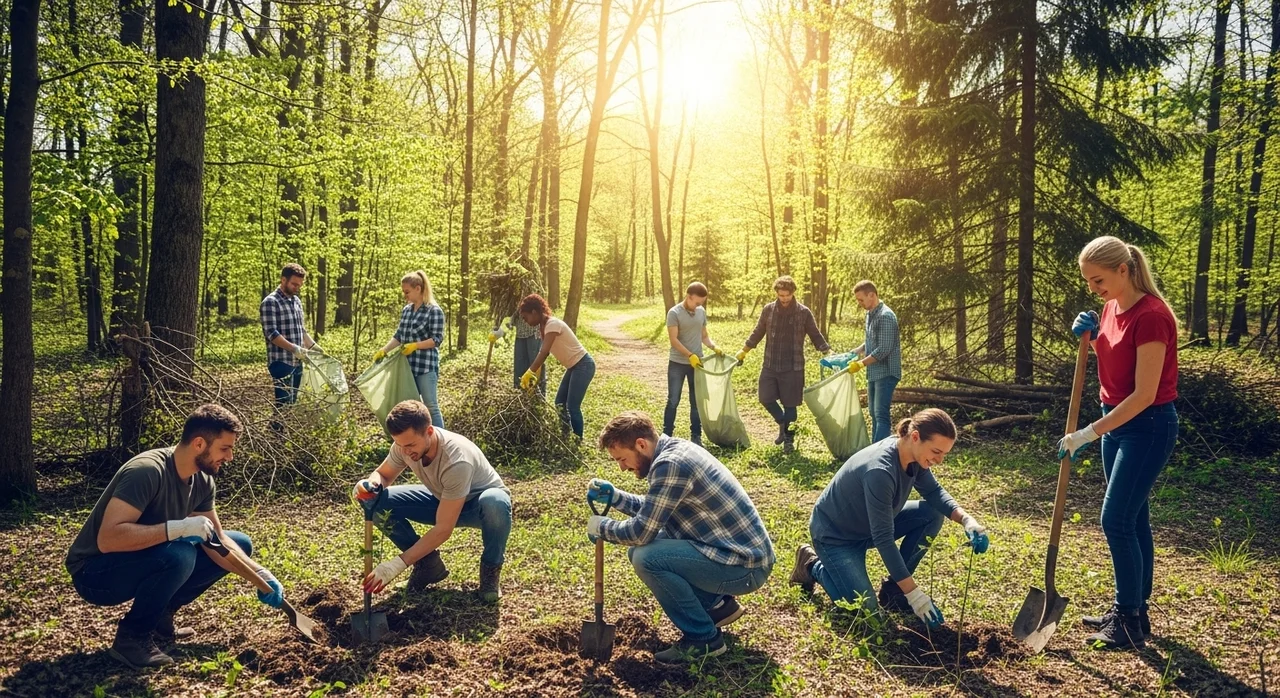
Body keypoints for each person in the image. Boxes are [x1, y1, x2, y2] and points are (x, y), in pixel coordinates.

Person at [65, 405, 286, 669]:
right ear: (199, 443)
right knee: (180, 554)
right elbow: (108, 539)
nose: (230, 457)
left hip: (139, 561)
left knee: (240, 543)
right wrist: (178, 528)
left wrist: (260, 575)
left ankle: (160, 617)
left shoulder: (202, 480)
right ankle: (131, 639)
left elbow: (218, 541)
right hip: (95, 573)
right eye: (224, 448)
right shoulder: (147, 471)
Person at [1061, 236, 1179, 650]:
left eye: (1099, 280)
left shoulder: (1152, 316)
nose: (1094, 289)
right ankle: (1135, 609)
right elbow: (1115, 359)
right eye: (1089, 283)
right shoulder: (1112, 307)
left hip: (1146, 427)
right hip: (1117, 425)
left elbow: (1145, 393)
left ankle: (1128, 619)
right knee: (1134, 519)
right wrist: (1092, 338)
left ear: (1124, 270)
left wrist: (1088, 433)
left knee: (1115, 521)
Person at [589, 412, 774, 664]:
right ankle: (716, 606)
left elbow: (641, 532)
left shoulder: (671, 465)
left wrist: (603, 527)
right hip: (727, 551)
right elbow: (657, 507)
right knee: (639, 552)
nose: (622, 467)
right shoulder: (674, 451)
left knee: (646, 556)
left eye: (622, 459)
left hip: (745, 566)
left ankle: (704, 639)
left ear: (641, 444)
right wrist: (617, 498)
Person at [789, 408, 989, 628]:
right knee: (865, 615)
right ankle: (811, 565)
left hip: (870, 526)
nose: (939, 460)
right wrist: (915, 595)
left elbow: (933, 493)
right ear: (915, 437)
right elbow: (884, 539)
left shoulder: (913, 455)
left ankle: (895, 590)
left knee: (931, 514)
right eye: (936, 451)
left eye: (944, 454)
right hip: (836, 537)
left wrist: (967, 519)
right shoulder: (880, 471)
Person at [355, 400, 512, 602]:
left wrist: (397, 564)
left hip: (476, 507)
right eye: (400, 445)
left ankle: (491, 571)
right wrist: (370, 484)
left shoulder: (457, 460)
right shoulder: (404, 445)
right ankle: (428, 565)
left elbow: (443, 529)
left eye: (410, 445)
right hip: (442, 498)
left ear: (429, 431)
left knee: (495, 503)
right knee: (377, 502)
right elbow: (383, 475)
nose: (405, 451)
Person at [737, 275, 831, 453]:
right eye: (781, 295)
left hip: (793, 366)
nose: (784, 299)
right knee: (765, 397)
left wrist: (827, 351)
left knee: (791, 405)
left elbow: (815, 334)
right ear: (777, 294)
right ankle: (782, 423)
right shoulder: (768, 310)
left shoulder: (803, 313)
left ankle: (789, 439)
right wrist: (744, 350)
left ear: (793, 293)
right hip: (771, 363)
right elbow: (758, 331)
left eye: (787, 295)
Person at [373, 270, 447, 428]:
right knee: (409, 408)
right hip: (406, 368)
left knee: (431, 406)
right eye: (403, 292)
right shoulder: (406, 310)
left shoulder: (434, 311)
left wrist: (416, 346)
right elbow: (399, 335)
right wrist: (384, 350)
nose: (404, 295)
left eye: (407, 292)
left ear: (418, 289)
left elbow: (437, 339)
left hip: (425, 367)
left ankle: (441, 442)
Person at [518, 293, 597, 439]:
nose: (526, 321)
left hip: (583, 365)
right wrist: (534, 375)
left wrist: (530, 371)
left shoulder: (552, 324)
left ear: (534, 312)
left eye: (526, 317)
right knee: (560, 402)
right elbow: (544, 354)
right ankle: (565, 436)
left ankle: (577, 440)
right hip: (574, 367)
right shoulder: (544, 327)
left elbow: (544, 351)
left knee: (572, 406)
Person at [664, 281, 723, 446]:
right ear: (688, 296)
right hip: (677, 363)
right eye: (696, 302)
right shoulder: (674, 313)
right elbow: (673, 340)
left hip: (697, 365)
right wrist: (690, 355)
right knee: (673, 400)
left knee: (696, 401)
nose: (698, 306)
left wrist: (714, 346)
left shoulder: (701, 312)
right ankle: (666, 434)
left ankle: (696, 436)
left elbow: (704, 336)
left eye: (701, 303)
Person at [846, 280, 902, 442]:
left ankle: (879, 453)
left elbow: (884, 349)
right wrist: (858, 350)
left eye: (861, 299)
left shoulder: (885, 316)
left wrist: (861, 364)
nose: (860, 303)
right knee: (873, 412)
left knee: (881, 414)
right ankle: (874, 448)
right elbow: (872, 339)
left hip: (886, 372)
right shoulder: (871, 314)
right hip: (874, 371)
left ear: (872, 295)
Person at [259, 263, 318, 409]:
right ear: (283, 280)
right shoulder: (270, 302)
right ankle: (277, 431)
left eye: (300, 285)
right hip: (281, 362)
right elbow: (272, 334)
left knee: (292, 403)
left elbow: (301, 331)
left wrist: (315, 348)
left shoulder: (296, 301)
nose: (297, 287)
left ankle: (283, 431)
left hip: (297, 362)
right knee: (283, 404)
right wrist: (294, 349)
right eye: (294, 284)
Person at [494, 272, 546, 395]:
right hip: (520, 334)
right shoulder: (511, 292)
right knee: (520, 366)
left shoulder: (531, 288)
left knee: (535, 364)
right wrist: (498, 328)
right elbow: (506, 312)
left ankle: (538, 397)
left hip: (534, 332)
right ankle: (519, 397)